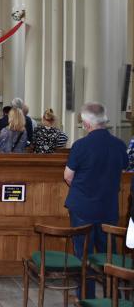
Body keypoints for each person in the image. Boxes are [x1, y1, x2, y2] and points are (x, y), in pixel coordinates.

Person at [64, 102, 128, 299]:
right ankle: (111, 296)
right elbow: (123, 170)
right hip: (108, 206)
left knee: (83, 253)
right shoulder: (119, 145)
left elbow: (68, 176)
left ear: (86, 124)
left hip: (83, 207)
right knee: (108, 253)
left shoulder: (81, 145)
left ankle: (86, 296)